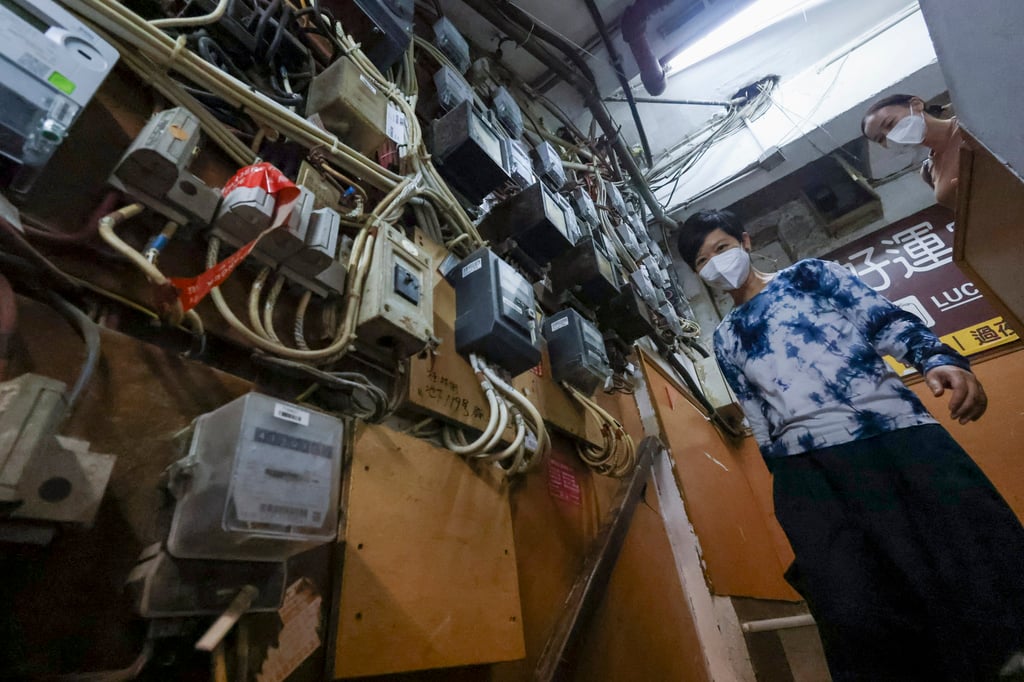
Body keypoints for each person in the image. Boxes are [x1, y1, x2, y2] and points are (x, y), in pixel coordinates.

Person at [677, 208, 1024, 682]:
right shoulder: (725, 337)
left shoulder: (809, 277)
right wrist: (788, 484)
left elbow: (882, 320)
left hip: (890, 433)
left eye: (721, 248)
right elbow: (758, 415)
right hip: (807, 472)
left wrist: (935, 357)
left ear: (745, 241)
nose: (716, 263)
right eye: (702, 261)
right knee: (855, 600)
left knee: (961, 553)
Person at [861, 93, 965, 210]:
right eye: (881, 139)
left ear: (916, 104)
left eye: (890, 123)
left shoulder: (969, 125)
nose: (890, 135)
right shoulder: (928, 171)